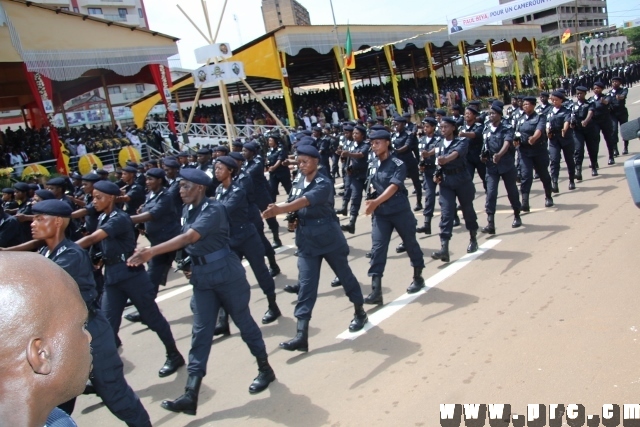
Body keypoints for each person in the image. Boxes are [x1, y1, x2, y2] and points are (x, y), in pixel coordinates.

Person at [127, 168, 275, 415]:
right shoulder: (187, 210)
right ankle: (191, 393)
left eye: (185, 186)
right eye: (180, 186)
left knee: (244, 323)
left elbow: (189, 238)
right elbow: (186, 242)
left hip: (226, 273)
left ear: (200, 188)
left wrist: (151, 252)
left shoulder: (213, 209)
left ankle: (265, 368)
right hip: (202, 277)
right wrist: (186, 263)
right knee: (200, 332)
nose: (181, 191)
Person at [8, 200, 152, 426]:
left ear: (57, 223)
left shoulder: (71, 256)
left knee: (116, 395)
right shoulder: (47, 251)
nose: (33, 223)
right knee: (53, 401)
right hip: (63, 338)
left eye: (40, 218)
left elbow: (35, 287)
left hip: (91, 335)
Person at [262, 145, 368, 352]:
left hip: (328, 238)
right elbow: (294, 201)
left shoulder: (323, 183)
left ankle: (359, 311)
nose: (301, 166)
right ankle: (301, 334)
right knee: (306, 286)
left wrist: (281, 209)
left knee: (345, 277)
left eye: (305, 162)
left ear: (316, 162)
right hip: (307, 241)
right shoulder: (298, 180)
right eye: (299, 162)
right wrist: (292, 217)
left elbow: (305, 201)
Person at [75, 180, 185, 377]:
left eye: (98, 197)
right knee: (108, 324)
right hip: (112, 277)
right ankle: (107, 373)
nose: (94, 201)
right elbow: (100, 245)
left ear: (110, 198)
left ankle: (173, 354)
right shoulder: (103, 217)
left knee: (152, 318)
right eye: (93, 197)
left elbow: (93, 239)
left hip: (131, 274)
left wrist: (63, 250)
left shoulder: (118, 218)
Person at [0, 252, 91, 427]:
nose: (88, 337)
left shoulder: (55, 419)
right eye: (81, 326)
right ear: (41, 354)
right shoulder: (59, 422)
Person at [213, 155, 281, 331]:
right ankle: (223, 321)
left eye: (220, 168)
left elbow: (223, 210)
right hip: (230, 240)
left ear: (230, 171)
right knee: (225, 278)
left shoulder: (237, 190)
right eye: (215, 168)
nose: (216, 171)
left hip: (247, 237)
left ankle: (273, 305)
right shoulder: (219, 190)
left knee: (261, 271)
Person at [361, 129, 426, 302]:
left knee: (410, 243)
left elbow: (394, 186)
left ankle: (418, 276)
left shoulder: (398, 163)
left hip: (399, 210)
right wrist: (371, 198)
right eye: (372, 143)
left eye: (377, 143)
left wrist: (375, 202)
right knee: (378, 249)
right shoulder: (373, 163)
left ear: (387, 143)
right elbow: (370, 183)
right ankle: (376, 291)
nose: (374, 146)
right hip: (381, 214)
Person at [126, 168, 182, 323]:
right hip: (158, 242)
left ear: (159, 180)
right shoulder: (151, 195)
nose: (147, 182)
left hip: (172, 241)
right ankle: (145, 312)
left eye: (151, 179)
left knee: (194, 272)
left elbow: (152, 214)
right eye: (146, 179)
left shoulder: (167, 196)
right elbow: (146, 211)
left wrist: (125, 219)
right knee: (152, 277)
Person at [431, 117, 479, 263]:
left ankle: (473, 238)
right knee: (446, 213)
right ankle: (444, 248)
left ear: (453, 127)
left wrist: (446, 159)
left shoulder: (461, 141)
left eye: (445, 127)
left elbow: (455, 154)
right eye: (441, 127)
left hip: (462, 180)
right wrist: (436, 174)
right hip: (446, 183)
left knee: (467, 210)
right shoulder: (438, 144)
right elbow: (437, 163)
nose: (443, 130)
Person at [480, 104, 522, 234]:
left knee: (512, 192)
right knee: (491, 194)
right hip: (491, 167)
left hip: (506, 164)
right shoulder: (486, 129)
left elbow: (507, 142)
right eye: (489, 114)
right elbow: (484, 145)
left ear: (499, 115)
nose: (491, 116)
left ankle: (517, 215)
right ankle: (490, 223)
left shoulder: (506, 128)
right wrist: (483, 156)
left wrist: (499, 155)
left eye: (493, 113)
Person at [516, 96, 554, 211]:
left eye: (527, 104)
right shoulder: (520, 118)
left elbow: (540, 129)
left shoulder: (540, 117)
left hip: (538, 151)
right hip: (524, 152)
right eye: (524, 104)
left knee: (543, 175)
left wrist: (534, 138)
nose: (525, 106)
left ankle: (548, 196)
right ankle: (525, 202)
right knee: (526, 176)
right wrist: (515, 141)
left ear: (533, 105)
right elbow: (516, 132)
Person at [242, 141, 283, 248]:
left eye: (245, 151)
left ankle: (276, 239)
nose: (243, 153)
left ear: (252, 152)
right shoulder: (245, 163)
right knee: (253, 219)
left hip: (261, 194)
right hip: (250, 195)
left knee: (270, 216)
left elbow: (249, 173)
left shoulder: (257, 161)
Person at [339, 124, 370, 234]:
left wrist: (349, 154)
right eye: (353, 133)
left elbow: (361, 155)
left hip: (367, 176)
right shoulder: (352, 144)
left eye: (357, 133)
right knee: (355, 198)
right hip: (356, 176)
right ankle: (351, 223)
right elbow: (349, 159)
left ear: (362, 135)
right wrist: (347, 164)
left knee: (372, 197)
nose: (354, 135)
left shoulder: (366, 144)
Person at [546, 90, 576, 192]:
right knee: (554, 160)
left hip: (565, 138)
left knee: (569, 160)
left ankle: (571, 180)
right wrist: (547, 132)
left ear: (561, 100)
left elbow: (567, 121)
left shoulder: (566, 110)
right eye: (552, 100)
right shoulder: (549, 111)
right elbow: (547, 123)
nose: (554, 101)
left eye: (556, 100)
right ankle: (554, 182)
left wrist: (564, 129)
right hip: (554, 139)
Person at [392, 115, 423, 211]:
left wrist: (395, 150)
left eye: (398, 124)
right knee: (398, 184)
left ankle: (419, 202)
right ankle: (403, 204)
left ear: (404, 124)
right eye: (395, 124)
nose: (396, 126)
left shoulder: (408, 134)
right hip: (398, 164)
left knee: (416, 183)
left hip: (409, 162)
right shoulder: (393, 135)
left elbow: (407, 146)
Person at [416, 117, 441, 235]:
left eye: (427, 127)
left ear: (433, 127)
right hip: (427, 171)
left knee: (445, 197)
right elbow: (421, 155)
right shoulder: (422, 140)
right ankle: (427, 224)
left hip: (439, 170)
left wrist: (429, 153)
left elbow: (438, 149)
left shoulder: (439, 138)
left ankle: (454, 216)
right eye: (424, 126)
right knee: (429, 197)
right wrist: (421, 165)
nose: (425, 129)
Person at [571, 86, 599, 179]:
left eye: (581, 93)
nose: (579, 95)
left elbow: (590, 113)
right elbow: (570, 116)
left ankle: (594, 167)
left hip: (589, 129)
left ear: (585, 94)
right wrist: (571, 124)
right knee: (578, 150)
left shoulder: (590, 103)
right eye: (577, 93)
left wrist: (586, 121)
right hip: (578, 131)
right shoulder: (573, 105)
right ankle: (578, 170)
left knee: (592, 149)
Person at [458, 105, 487, 191]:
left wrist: (464, 134)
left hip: (479, 157)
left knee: (485, 177)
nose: (467, 115)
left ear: (474, 116)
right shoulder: (461, 128)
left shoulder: (479, 126)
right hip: (468, 158)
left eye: (469, 113)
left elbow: (475, 134)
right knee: (467, 178)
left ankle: (489, 194)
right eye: (465, 113)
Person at [591, 81, 616, 165]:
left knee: (609, 139)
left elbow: (607, 102)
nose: (596, 90)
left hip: (605, 121)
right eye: (594, 88)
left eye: (598, 88)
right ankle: (594, 161)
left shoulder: (606, 97)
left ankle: (611, 157)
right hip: (595, 122)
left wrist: (604, 101)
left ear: (601, 89)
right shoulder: (591, 99)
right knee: (595, 141)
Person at [266, 134, 292, 203]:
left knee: (288, 188)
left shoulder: (281, 149)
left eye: (271, 141)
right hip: (273, 174)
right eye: (269, 141)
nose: (269, 142)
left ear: (275, 141)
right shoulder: (269, 151)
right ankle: (272, 205)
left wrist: (274, 167)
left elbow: (280, 159)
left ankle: (294, 202)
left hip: (282, 172)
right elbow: (268, 160)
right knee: (272, 189)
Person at [608, 76, 629, 154]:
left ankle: (625, 147)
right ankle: (615, 149)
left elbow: (623, 96)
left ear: (620, 83)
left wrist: (620, 97)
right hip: (613, 114)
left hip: (622, 112)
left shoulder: (623, 90)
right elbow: (606, 101)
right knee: (613, 130)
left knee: (625, 129)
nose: (614, 83)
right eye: (613, 82)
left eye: (616, 82)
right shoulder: (609, 93)